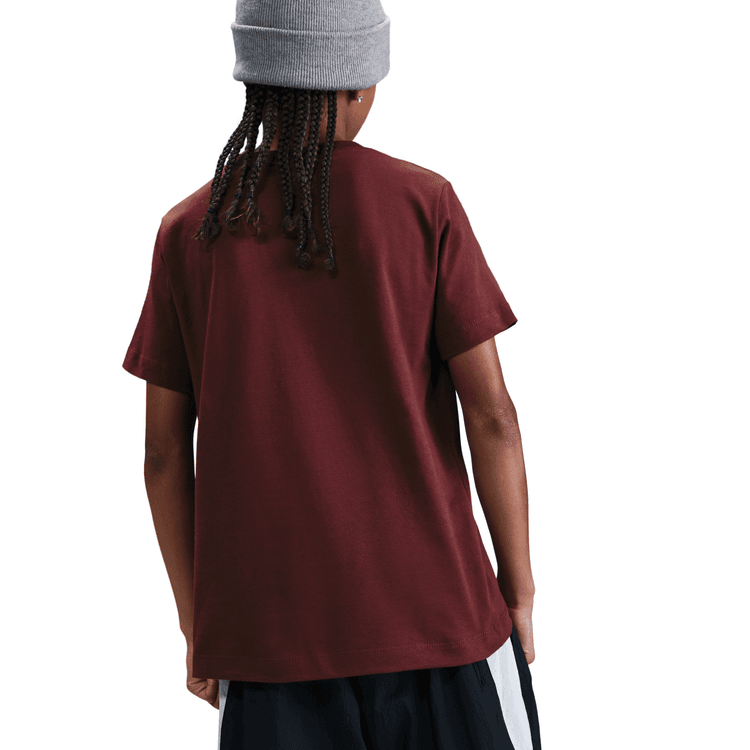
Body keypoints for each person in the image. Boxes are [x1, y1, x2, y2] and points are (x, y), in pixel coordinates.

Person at [122, 1, 541, 747]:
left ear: (255, 79)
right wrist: (519, 592)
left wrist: (198, 626)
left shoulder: (190, 231)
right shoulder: (424, 204)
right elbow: (493, 418)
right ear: (357, 82)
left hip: (266, 645)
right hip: (441, 624)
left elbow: (162, 456)